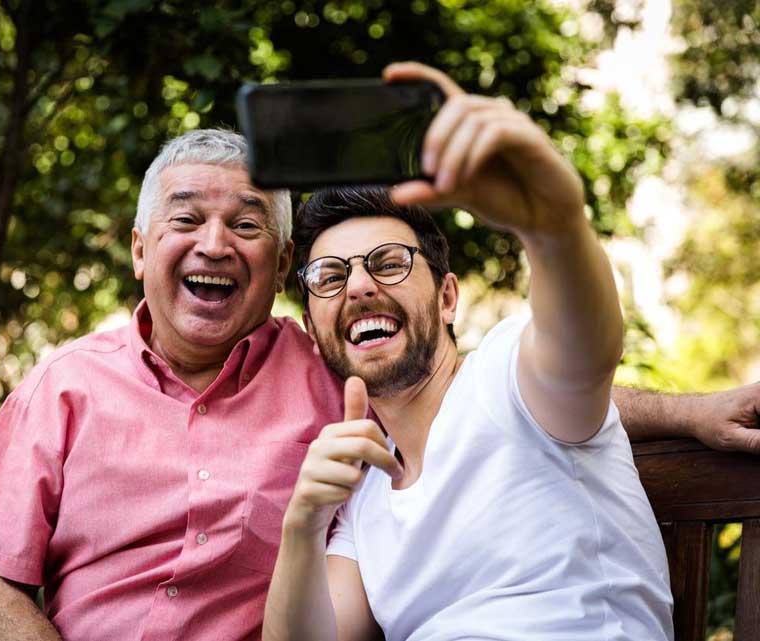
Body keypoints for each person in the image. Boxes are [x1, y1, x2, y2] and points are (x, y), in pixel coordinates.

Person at [0, 118, 760, 640]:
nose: (215, 242)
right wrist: (303, 521)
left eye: (247, 224)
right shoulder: (65, 384)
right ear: (143, 249)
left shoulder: (434, 372)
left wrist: (551, 223)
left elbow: (560, 371)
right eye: (186, 219)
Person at [263, 63, 674, 640]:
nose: (358, 287)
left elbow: (587, 343)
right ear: (313, 327)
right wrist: (303, 524)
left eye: (388, 263)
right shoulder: (365, 491)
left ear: (447, 297)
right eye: (330, 276)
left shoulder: (509, 377)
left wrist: (554, 226)